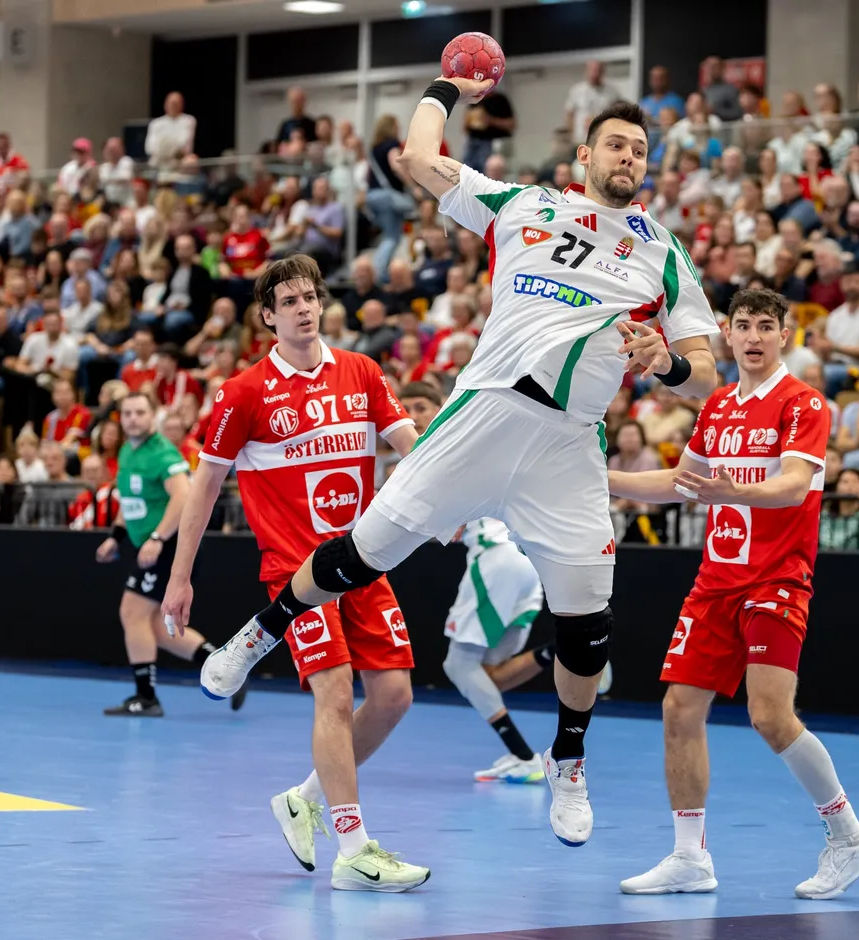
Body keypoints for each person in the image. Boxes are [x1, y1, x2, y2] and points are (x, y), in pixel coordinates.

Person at [175, 80, 719, 850]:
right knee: (363, 552)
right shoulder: (524, 205)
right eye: (616, 145)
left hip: (569, 444)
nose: (628, 157)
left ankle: (567, 761)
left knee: (587, 623)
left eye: (639, 149)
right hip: (486, 411)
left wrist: (667, 363)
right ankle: (258, 635)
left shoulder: (662, 250)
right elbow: (417, 156)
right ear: (584, 154)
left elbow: (707, 377)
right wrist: (446, 89)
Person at [162, 255, 428, 891]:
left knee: (394, 697)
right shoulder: (244, 392)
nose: (304, 308)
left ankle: (303, 798)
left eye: (310, 297)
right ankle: (353, 851)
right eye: (289, 301)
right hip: (296, 570)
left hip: (363, 558)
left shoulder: (361, 371)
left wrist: (443, 503)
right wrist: (180, 575)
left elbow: (412, 448)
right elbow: (204, 489)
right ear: (268, 317)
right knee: (334, 693)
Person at [607, 287, 859, 898]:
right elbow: (680, 481)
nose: (753, 337)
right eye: (743, 326)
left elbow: (794, 486)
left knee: (769, 716)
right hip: (715, 581)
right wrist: (600, 480)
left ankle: (849, 837)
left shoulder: (803, 403)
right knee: (679, 709)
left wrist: (736, 492)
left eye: (765, 326)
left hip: (776, 577)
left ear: (784, 335)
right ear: (726, 336)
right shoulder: (718, 406)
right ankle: (689, 857)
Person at [94, 391, 233, 716]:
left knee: (132, 613)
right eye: (127, 413)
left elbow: (184, 496)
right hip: (150, 547)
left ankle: (147, 698)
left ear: (153, 415)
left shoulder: (161, 452)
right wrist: (116, 537)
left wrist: (157, 538)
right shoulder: (128, 451)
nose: (133, 419)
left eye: (140, 412)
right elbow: (131, 502)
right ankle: (226, 667)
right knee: (155, 627)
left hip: (170, 546)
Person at [443, 517, 549, 783]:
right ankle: (561, 652)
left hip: (496, 556)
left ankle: (524, 756)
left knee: (458, 665)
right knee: (486, 678)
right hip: (529, 561)